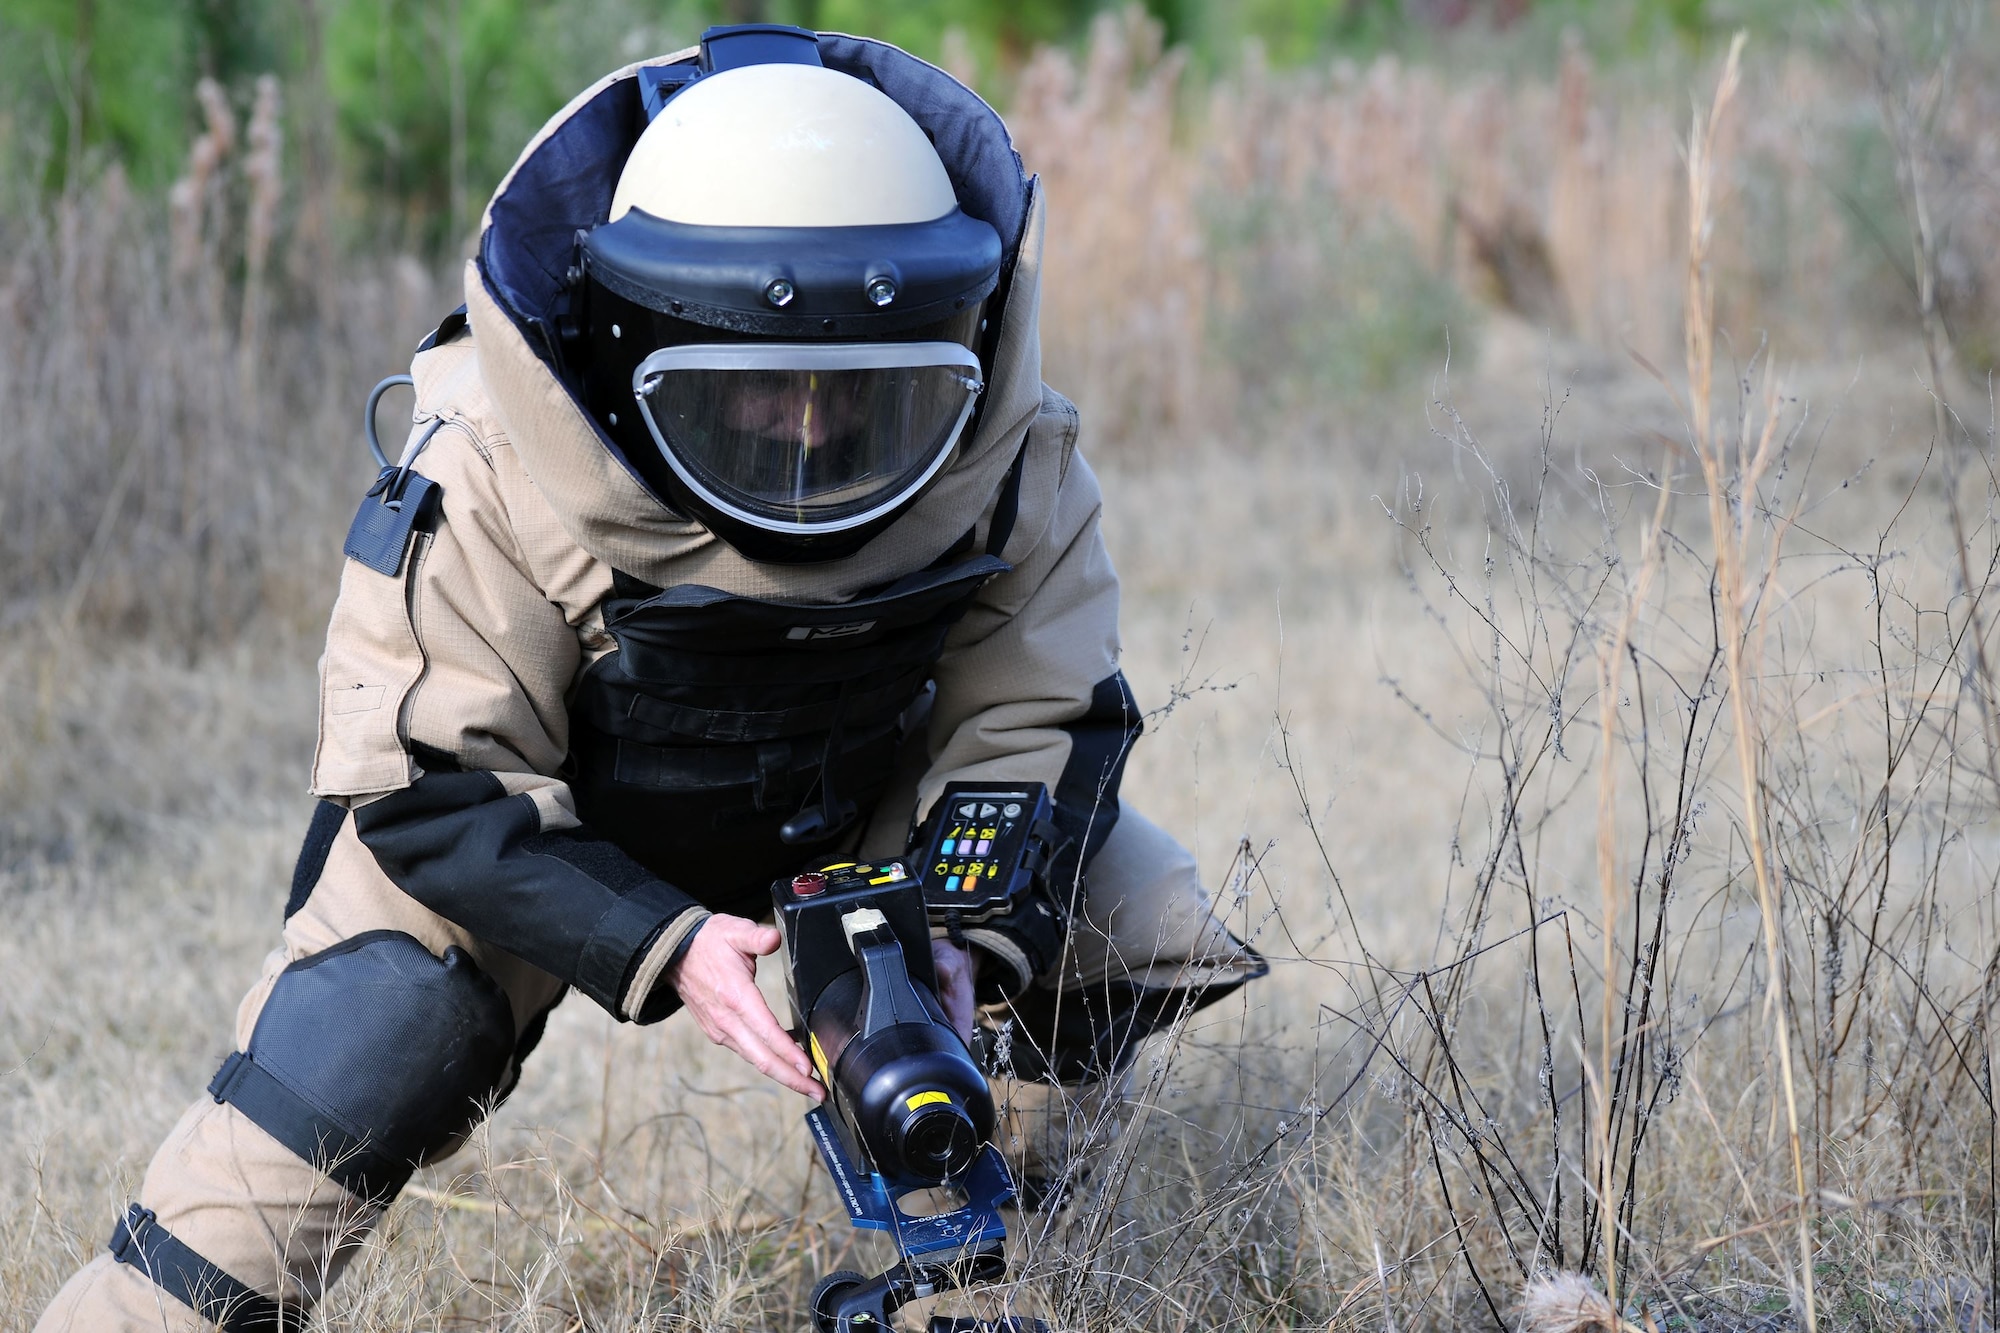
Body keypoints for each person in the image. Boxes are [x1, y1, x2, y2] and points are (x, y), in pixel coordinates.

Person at [37, 25, 1262, 1332]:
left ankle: (1004, 1244)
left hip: (857, 807)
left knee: (1105, 897)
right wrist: (665, 943)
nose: (804, 434)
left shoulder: (1009, 455)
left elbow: (1042, 716)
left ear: (953, 340)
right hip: (546, 832)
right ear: (636, 342)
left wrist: (962, 942)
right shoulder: (497, 464)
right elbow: (439, 785)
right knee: (376, 1030)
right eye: (753, 398)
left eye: (856, 402)